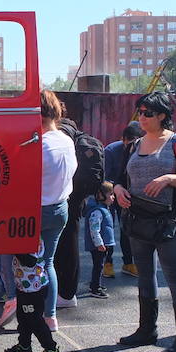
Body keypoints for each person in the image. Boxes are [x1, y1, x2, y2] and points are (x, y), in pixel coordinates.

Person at [113, 91, 176, 352]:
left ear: (163, 115)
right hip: (137, 219)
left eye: (148, 112)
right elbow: (117, 178)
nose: (142, 117)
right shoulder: (133, 144)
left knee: (174, 274)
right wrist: (117, 189)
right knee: (144, 274)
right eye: (140, 112)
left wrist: (169, 179)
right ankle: (146, 330)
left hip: (169, 221)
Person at [36, 89, 77, 332]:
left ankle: (15, 301)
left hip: (38, 209)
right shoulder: (66, 140)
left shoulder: (38, 145)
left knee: (25, 263)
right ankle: (50, 316)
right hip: (61, 208)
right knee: (48, 262)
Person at [53, 117, 103, 309]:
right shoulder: (80, 137)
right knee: (70, 243)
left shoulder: (59, 135)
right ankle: (67, 292)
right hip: (78, 196)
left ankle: (64, 293)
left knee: (60, 247)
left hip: (61, 195)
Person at [2, 238, 63, 352]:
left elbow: (30, 261)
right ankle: (24, 346)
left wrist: (13, 247)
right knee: (23, 318)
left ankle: (52, 349)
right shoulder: (21, 237)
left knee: (35, 321)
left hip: (34, 289)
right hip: (23, 286)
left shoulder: (32, 239)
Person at [102, 122, 143, 278]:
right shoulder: (111, 151)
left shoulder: (140, 150)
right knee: (107, 228)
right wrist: (115, 190)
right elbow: (104, 178)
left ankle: (128, 262)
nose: (132, 145)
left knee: (127, 229)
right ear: (123, 139)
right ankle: (107, 262)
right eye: (130, 141)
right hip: (109, 195)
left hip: (127, 195)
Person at [83, 181, 115, 299]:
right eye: (111, 194)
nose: (113, 197)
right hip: (98, 245)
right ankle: (95, 287)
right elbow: (94, 229)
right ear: (101, 196)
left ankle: (97, 284)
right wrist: (99, 243)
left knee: (100, 265)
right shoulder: (97, 211)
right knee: (98, 265)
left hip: (102, 244)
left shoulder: (103, 209)